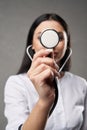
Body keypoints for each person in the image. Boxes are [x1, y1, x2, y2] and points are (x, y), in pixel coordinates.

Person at [4, 13, 87, 130]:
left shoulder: (81, 84)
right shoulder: (16, 83)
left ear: (67, 44)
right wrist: (45, 100)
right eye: (41, 36)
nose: (50, 43)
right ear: (32, 45)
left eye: (59, 37)